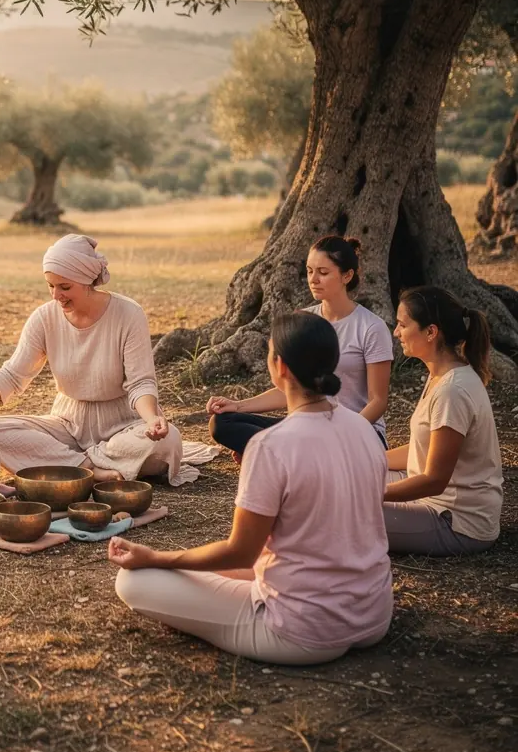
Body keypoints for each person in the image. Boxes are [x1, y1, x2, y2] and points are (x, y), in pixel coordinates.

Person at [110, 312, 393, 665]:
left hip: (304, 631)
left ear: (280, 367)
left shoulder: (271, 445)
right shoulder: (365, 430)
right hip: (373, 614)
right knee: (207, 565)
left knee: (133, 582)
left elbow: (241, 553)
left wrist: (155, 558)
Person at [0, 235, 216, 486]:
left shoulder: (129, 314)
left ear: (87, 281)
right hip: (66, 424)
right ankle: (89, 467)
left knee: (168, 442)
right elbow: (14, 374)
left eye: (64, 287)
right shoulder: (44, 318)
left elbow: (141, 383)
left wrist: (152, 418)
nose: (55, 295)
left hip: (123, 424)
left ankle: (65, 462)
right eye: (50, 286)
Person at [207, 236, 393, 456]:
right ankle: (282, 453)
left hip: (358, 434)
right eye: (309, 271)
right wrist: (237, 405)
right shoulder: (304, 320)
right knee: (223, 422)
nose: (313, 279)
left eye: (323, 272)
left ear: (347, 275)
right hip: (310, 427)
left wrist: (342, 433)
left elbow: (378, 401)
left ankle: (273, 453)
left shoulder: (371, 327)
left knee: (295, 442)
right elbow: (291, 388)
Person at [384, 287, 501, 556]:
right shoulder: (441, 375)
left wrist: (368, 493)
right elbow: (423, 451)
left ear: (431, 332)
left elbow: (434, 479)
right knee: (351, 477)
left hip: (456, 522)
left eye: (402, 325)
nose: (396, 332)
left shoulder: (453, 391)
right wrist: (371, 461)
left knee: (340, 509)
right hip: (436, 503)